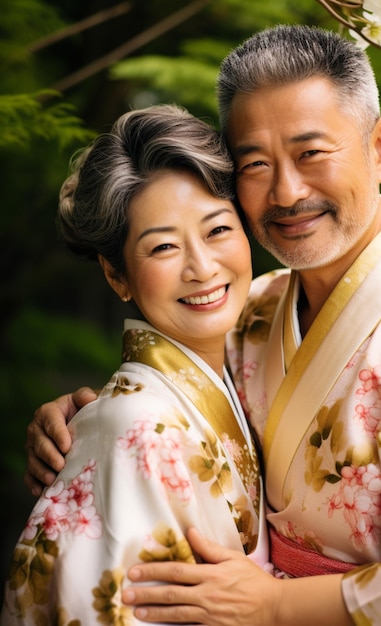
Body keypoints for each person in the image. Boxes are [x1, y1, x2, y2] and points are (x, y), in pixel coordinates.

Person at [23, 24, 381, 626]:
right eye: (255, 163)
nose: (286, 191)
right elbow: (174, 403)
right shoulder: (253, 308)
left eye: (310, 153)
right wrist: (86, 425)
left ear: (380, 148)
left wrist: (277, 603)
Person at [1, 103, 269, 625]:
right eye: (163, 246)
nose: (202, 268)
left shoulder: (265, 337)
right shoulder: (133, 428)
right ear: (116, 275)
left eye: (217, 230)